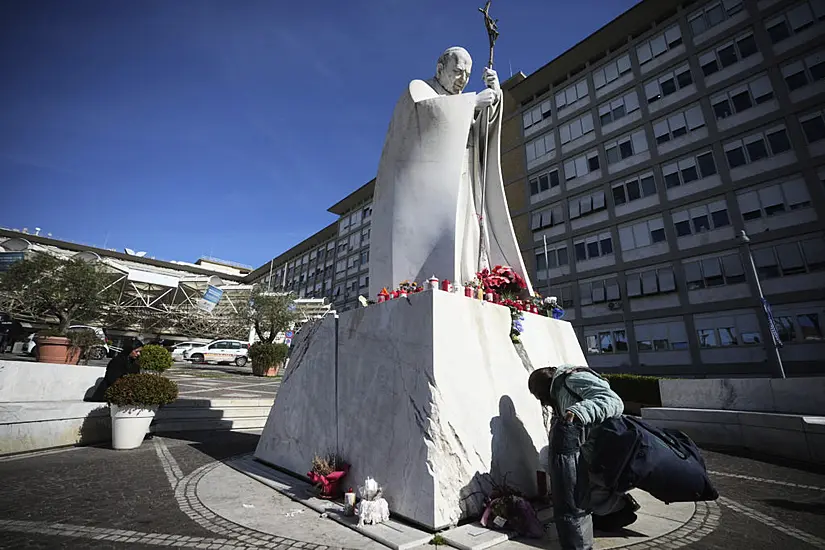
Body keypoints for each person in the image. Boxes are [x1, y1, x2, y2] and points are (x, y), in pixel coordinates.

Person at [368, 46, 532, 298]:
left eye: (467, 75)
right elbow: (424, 117)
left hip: (464, 176)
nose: (462, 80)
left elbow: (479, 135)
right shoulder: (419, 90)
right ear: (439, 68)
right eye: (457, 72)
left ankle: (471, 281)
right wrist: (472, 103)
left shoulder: (461, 100)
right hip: (430, 188)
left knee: (467, 232)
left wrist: (494, 97)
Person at [528, 365, 639, 550]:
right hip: (589, 452)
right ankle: (606, 505)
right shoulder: (559, 394)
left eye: (538, 395)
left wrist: (579, 412)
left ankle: (619, 505)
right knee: (549, 458)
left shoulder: (571, 380)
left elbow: (613, 401)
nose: (541, 401)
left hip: (606, 452)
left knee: (583, 494)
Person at [87, 338, 143, 402]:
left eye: (140, 352)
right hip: (108, 394)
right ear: (129, 350)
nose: (138, 354)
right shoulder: (117, 361)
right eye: (136, 351)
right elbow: (112, 379)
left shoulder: (135, 364)